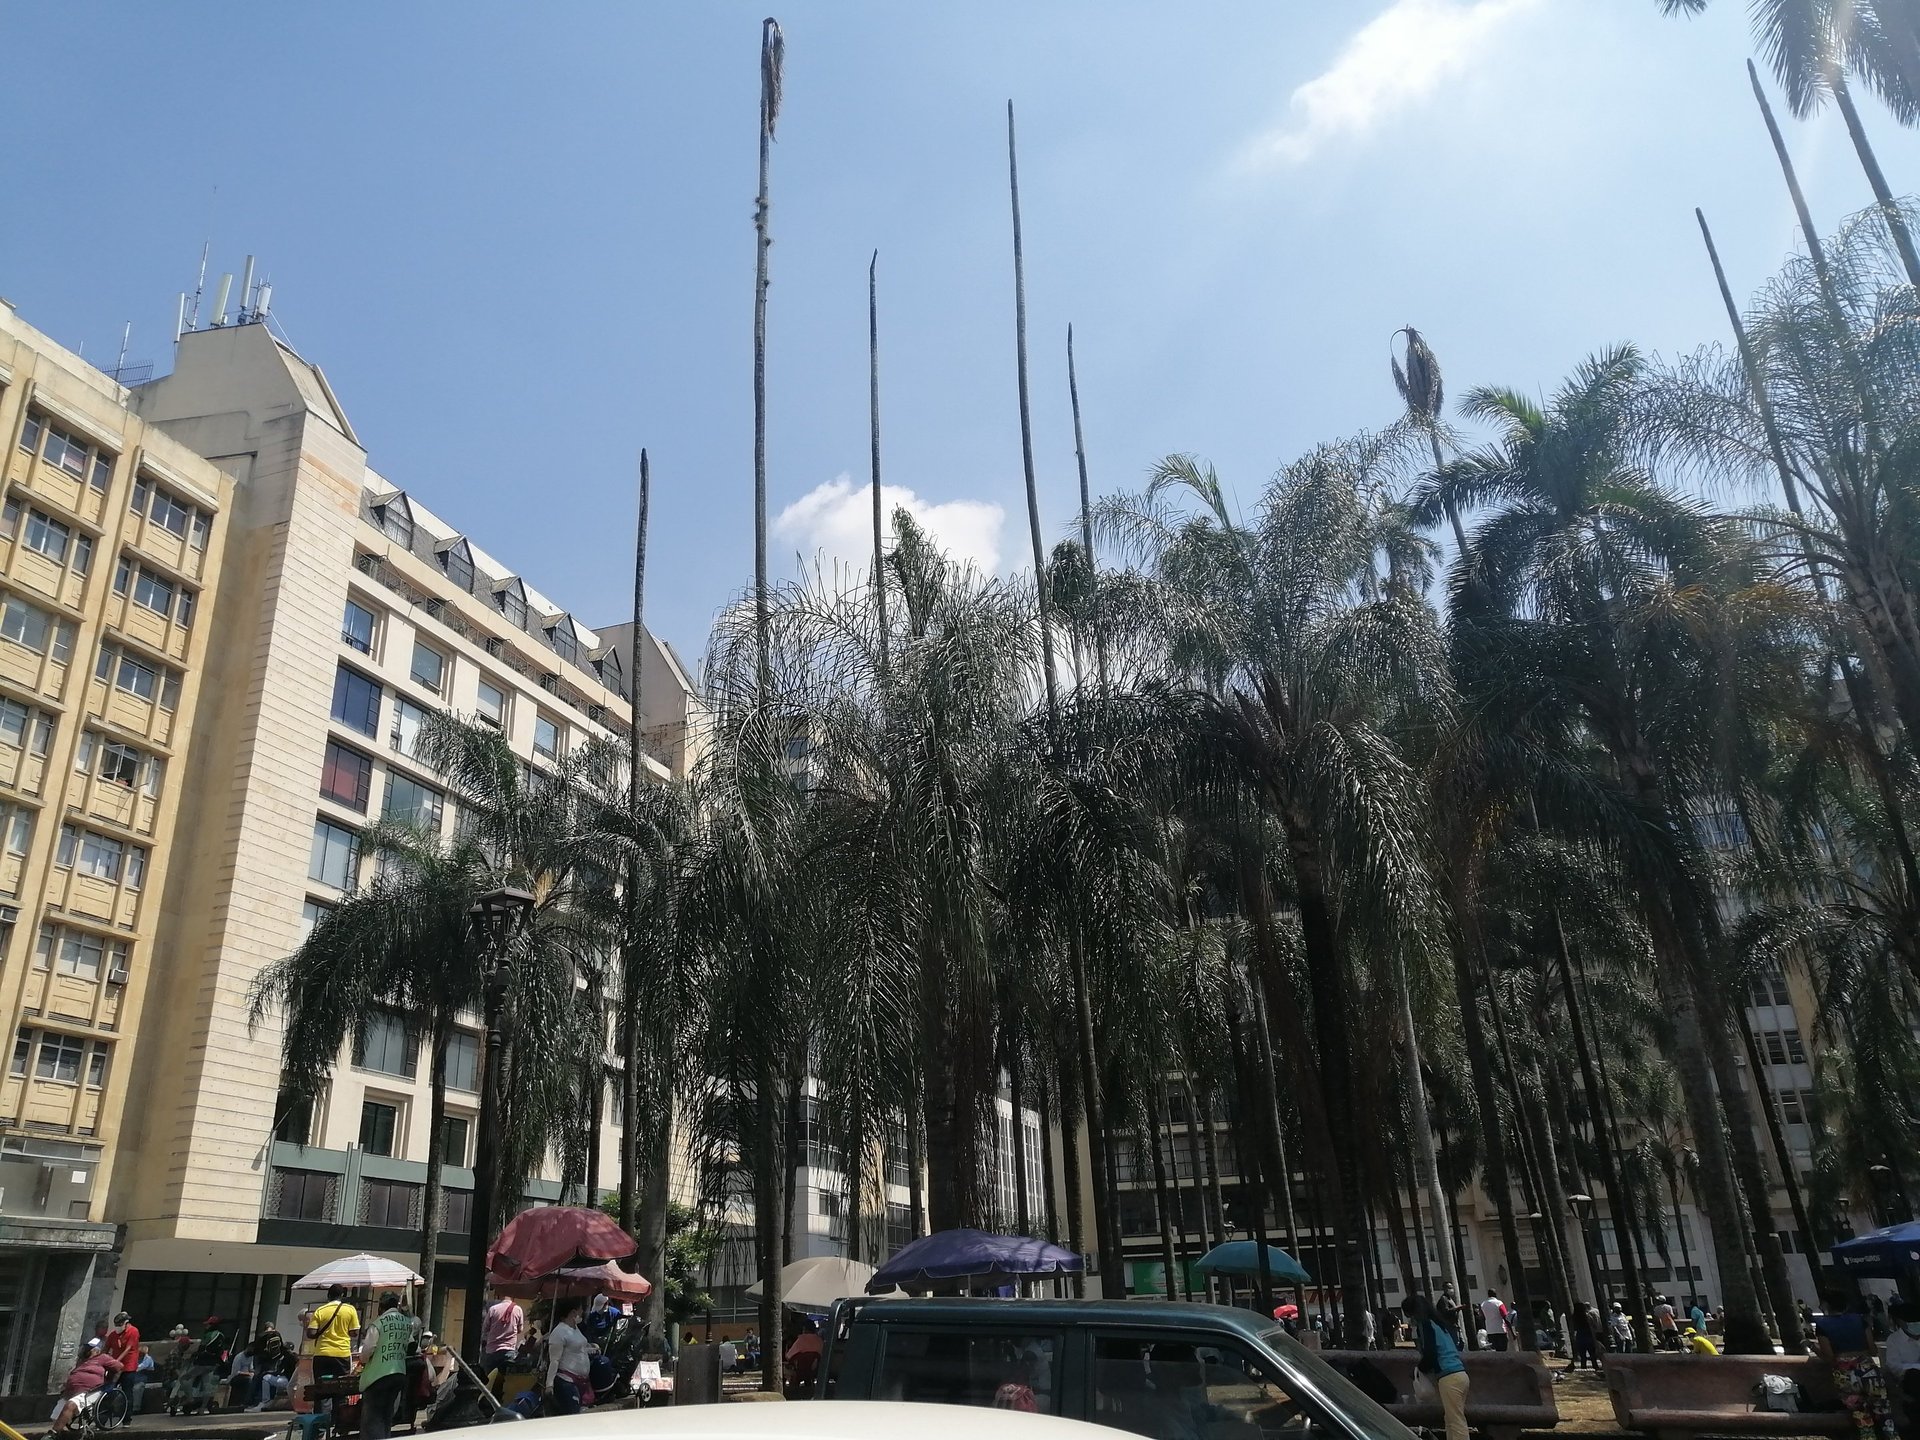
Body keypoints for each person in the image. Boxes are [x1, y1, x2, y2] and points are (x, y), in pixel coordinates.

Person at [1816, 1292, 1896, 1440]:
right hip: (1868, 1368)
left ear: (1826, 1305)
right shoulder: (1860, 1320)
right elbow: (1873, 1350)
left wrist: (1812, 1347)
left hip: (1845, 1373)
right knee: (1884, 1410)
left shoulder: (1822, 1325)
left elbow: (1829, 1357)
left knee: (1860, 1413)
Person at [1405, 1294, 1469, 1440]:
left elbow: (1431, 1354)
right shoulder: (1439, 1323)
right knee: (1451, 1419)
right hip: (1460, 1374)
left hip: (1448, 1377)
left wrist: (1419, 1368)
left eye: (1410, 1316)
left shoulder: (1426, 1325)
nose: (1412, 1320)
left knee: (1456, 1421)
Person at [356, 1292, 416, 1440]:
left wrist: (363, 1362)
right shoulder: (406, 1322)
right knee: (386, 1416)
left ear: (380, 1307)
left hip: (377, 1377)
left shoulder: (378, 1323)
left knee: (372, 1419)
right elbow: (413, 1347)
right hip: (398, 1374)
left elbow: (367, 1352)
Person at [52, 1339, 125, 1434]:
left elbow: (119, 1366)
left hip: (90, 1391)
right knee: (57, 1412)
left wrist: (110, 1382)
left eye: (88, 1348)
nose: (85, 1350)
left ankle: (53, 1434)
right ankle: (61, 1432)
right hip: (71, 1391)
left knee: (71, 1405)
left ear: (96, 1350)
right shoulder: (82, 1361)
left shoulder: (103, 1358)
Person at [546, 1297, 593, 1416]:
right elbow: (554, 1360)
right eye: (581, 1310)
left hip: (581, 1382)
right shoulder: (559, 1332)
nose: (582, 1313)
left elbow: (579, 1347)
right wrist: (549, 1385)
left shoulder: (575, 1329)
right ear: (573, 1312)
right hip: (566, 1382)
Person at [170, 1315, 225, 1415]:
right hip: (214, 1363)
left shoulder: (210, 1334)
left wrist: (196, 1355)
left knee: (184, 1378)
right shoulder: (221, 1335)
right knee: (206, 1384)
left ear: (212, 1325)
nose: (206, 1326)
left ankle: (190, 1399)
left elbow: (203, 1347)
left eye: (208, 1324)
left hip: (203, 1362)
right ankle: (202, 1409)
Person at [307, 1284, 360, 1387]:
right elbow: (354, 1333)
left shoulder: (320, 1310)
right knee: (341, 1388)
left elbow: (311, 1333)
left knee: (320, 1389)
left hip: (322, 1354)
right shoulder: (350, 1310)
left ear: (328, 1295)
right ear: (342, 1295)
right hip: (342, 1355)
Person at [1882, 1301, 1920, 1440]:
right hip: (1908, 1383)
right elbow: (1895, 1367)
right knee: (1914, 1376)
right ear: (1901, 1321)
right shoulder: (1894, 1340)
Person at [479, 1289, 525, 1393]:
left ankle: (487, 1403)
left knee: (489, 1381)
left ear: (500, 1296)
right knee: (505, 1381)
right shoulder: (518, 1310)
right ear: (513, 1297)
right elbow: (520, 1329)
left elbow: (485, 1328)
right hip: (509, 1351)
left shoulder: (493, 1309)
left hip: (492, 1350)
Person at [122, 1344, 156, 1420]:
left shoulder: (148, 1358)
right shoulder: (135, 1358)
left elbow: (140, 1367)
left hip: (142, 1379)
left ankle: (135, 1408)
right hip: (133, 1379)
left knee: (137, 1389)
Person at [1567, 1302, 1601, 1372]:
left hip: (1580, 1337)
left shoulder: (1574, 1317)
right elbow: (1593, 1326)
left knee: (1583, 1356)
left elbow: (1573, 1328)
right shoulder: (1587, 1316)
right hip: (1589, 1337)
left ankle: (1584, 1369)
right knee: (1593, 1355)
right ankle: (1596, 1368)